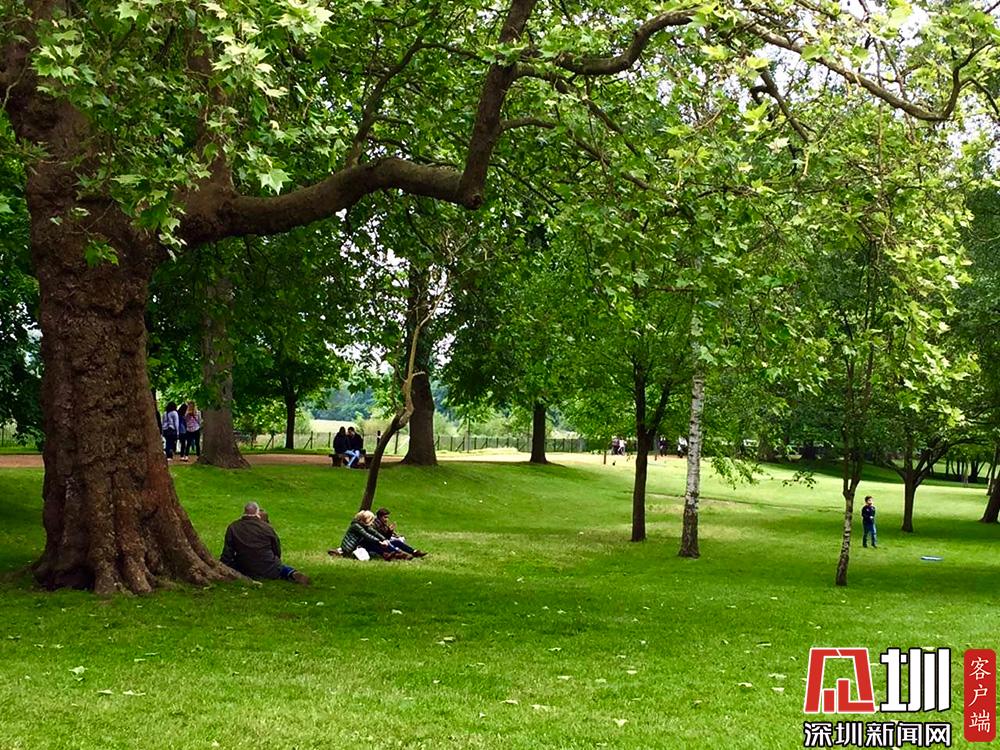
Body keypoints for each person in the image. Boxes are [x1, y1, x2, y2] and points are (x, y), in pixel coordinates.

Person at [220, 502, 310, 584]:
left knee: (237, 564)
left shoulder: (233, 527)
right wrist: (276, 560)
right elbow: (276, 549)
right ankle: (292, 573)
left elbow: (228, 552)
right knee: (280, 568)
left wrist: (223, 564)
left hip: (245, 567)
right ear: (257, 513)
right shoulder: (267, 528)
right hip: (269, 567)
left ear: (244, 512)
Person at [333, 510, 409, 560]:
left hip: (357, 545)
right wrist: (379, 541)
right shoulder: (356, 526)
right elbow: (367, 535)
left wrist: (384, 539)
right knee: (370, 542)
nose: (372, 522)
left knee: (371, 543)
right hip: (350, 548)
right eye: (370, 520)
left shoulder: (364, 525)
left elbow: (374, 533)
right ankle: (395, 554)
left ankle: (392, 554)